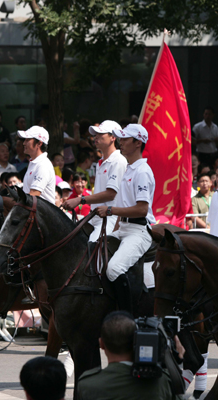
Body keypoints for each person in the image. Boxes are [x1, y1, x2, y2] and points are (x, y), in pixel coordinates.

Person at [94, 124, 155, 313]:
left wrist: (110, 210)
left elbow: (142, 209)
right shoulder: (129, 169)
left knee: (113, 269)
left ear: (138, 143)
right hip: (123, 229)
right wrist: (113, 233)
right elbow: (123, 205)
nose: (121, 142)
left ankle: (127, 317)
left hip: (138, 232)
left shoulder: (142, 171)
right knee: (95, 260)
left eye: (125, 139)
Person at [77, 311, 183, 400]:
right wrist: (176, 363)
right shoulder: (161, 383)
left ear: (101, 344)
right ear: (136, 342)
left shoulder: (87, 384)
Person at [64, 120, 127, 241]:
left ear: (113, 137)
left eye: (100, 134)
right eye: (95, 134)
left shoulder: (118, 161)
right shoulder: (100, 162)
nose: (95, 137)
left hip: (110, 218)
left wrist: (80, 200)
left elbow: (111, 194)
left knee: (92, 246)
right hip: (94, 216)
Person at [18, 126, 56, 204]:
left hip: (43, 215)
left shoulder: (43, 165)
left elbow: (33, 195)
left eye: (27, 140)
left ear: (39, 143)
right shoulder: (35, 163)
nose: (24, 143)